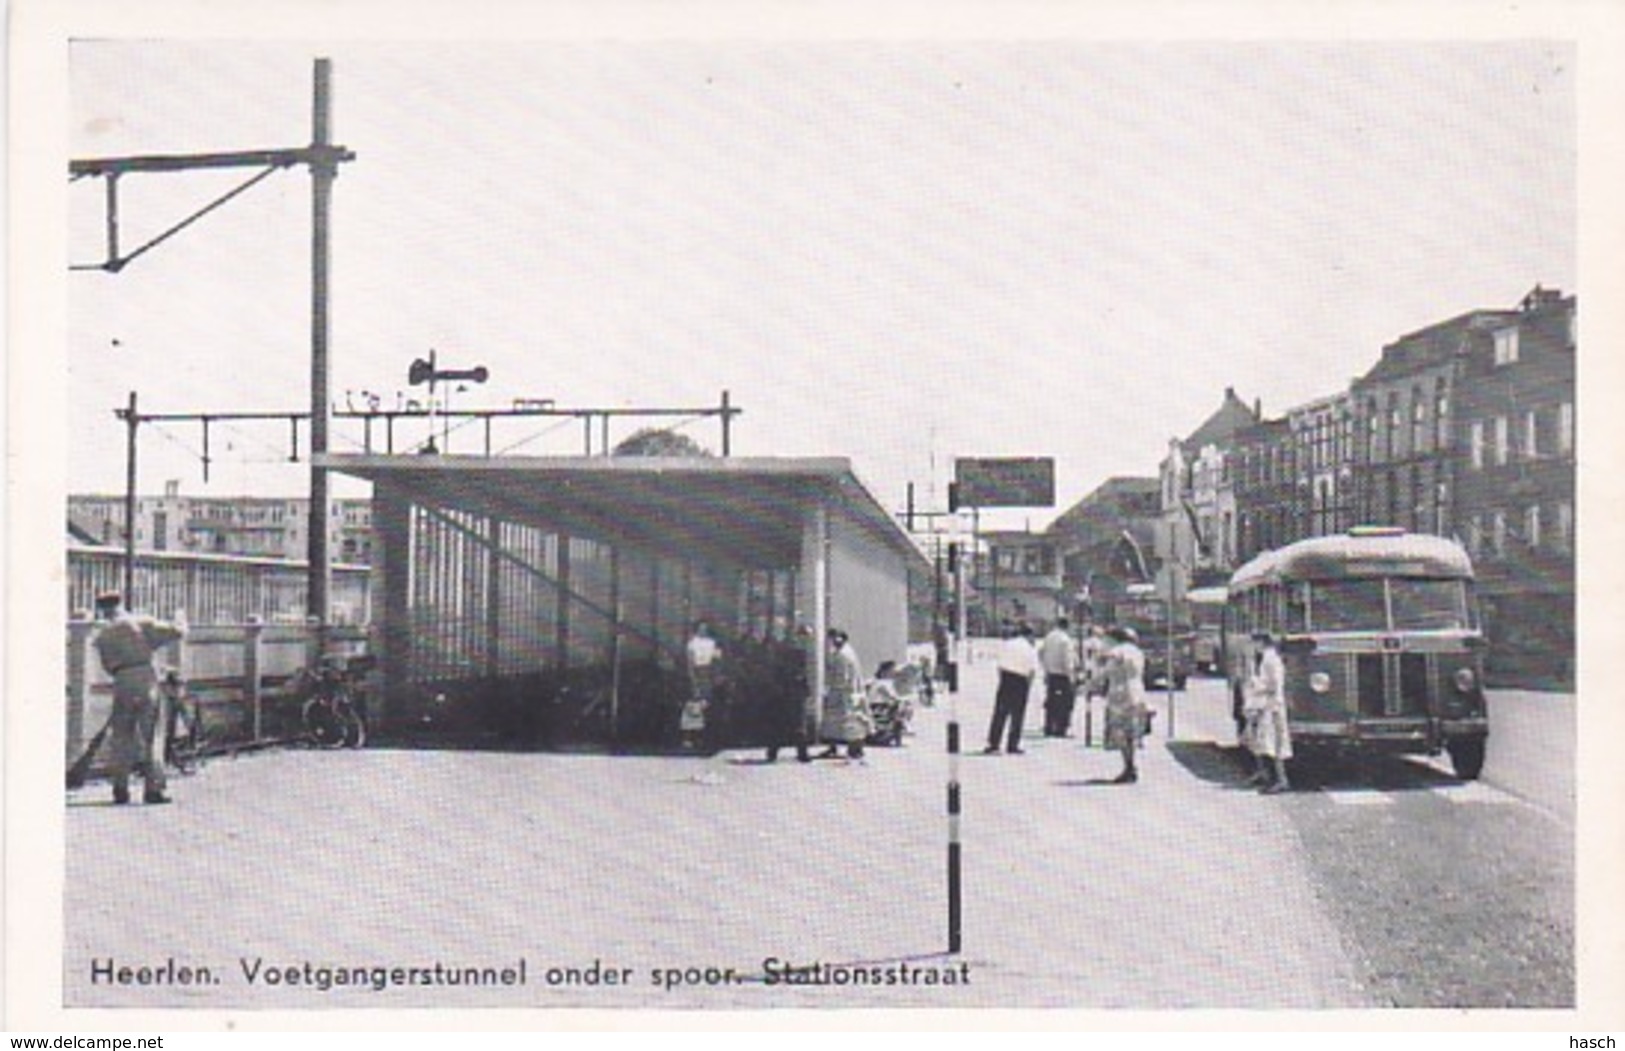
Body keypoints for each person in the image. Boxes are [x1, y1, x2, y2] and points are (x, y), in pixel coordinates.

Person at [91, 591, 186, 805]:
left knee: (122, 736)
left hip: (121, 680)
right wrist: (180, 617)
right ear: (121, 603)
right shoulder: (140, 622)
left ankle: (120, 789)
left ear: (103, 609)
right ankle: (153, 789)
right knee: (152, 736)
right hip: (144, 678)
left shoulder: (103, 634)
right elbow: (177, 632)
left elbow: (107, 666)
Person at [1244, 632, 1293, 794]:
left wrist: (1258, 686)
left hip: (1272, 706)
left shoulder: (1271, 660)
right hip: (1265, 704)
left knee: (1275, 743)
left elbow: (1275, 684)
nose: (1253, 646)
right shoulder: (1264, 658)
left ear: (1262, 642)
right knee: (1260, 741)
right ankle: (1265, 774)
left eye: (1255, 642)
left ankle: (1281, 780)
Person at [983, 622, 1038, 755]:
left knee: (1000, 713)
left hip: (1006, 678)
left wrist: (1003, 680)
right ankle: (1012, 745)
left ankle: (994, 744)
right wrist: (1028, 686)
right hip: (1021, 680)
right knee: (1017, 715)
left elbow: (1000, 666)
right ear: (1029, 635)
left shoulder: (1008, 644)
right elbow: (1032, 671)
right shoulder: (1030, 649)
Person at [1102, 625, 1148, 783]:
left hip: (1120, 692)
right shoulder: (1138, 652)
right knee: (1132, 731)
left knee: (1118, 730)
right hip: (1137, 691)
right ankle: (1131, 763)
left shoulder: (1116, 651)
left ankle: (1128, 765)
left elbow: (1108, 671)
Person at [819, 628, 868, 760]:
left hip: (845, 693)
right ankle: (834, 746)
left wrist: (833, 688)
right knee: (834, 721)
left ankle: (855, 747)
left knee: (849, 721)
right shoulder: (844, 652)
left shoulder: (843, 655)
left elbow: (843, 677)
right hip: (847, 691)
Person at [681, 620, 722, 751]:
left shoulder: (712, 642)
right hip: (697, 672)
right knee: (693, 706)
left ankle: (706, 737)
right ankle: (690, 737)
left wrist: (716, 674)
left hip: (708, 672)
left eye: (705, 628)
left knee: (707, 705)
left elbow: (717, 659)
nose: (702, 630)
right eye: (700, 628)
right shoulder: (692, 643)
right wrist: (693, 677)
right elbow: (690, 661)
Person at [1039, 616, 1080, 737]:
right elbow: (1067, 659)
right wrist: (1071, 675)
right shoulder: (1065, 640)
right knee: (1065, 703)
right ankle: (1061, 729)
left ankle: (1049, 726)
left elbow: (1041, 653)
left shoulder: (1049, 637)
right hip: (1063, 675)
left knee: (1051, 702)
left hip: (1051, 674)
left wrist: (1046, 668)